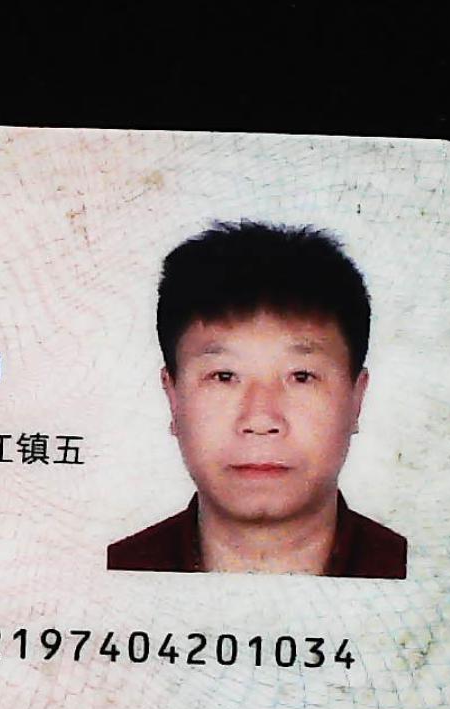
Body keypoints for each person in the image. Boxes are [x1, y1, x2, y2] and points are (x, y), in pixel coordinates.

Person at [106, 221, 407, 576]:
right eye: (224, 376)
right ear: (173, 397)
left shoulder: (429, 574)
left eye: (301, 376)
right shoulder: (110, 572)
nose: (261, 420)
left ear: (356, 399)